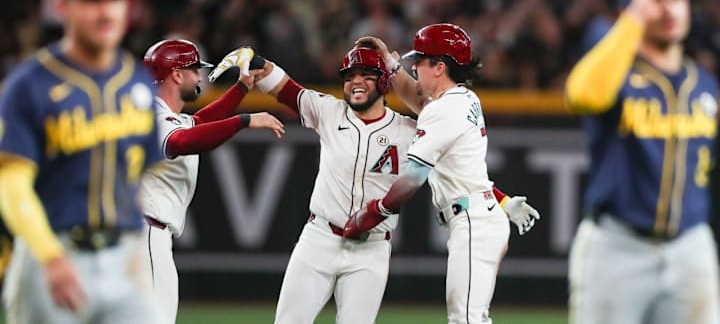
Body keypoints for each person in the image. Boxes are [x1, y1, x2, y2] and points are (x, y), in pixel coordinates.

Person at [209, 37, 538, 324]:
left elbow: (452, 169)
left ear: (382, 83)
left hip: (371, 249)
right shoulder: (329, 111)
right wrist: (256, 61)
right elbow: (286, 89)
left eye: (366, 75)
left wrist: (500, 199)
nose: (356, 82)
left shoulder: (409, 130)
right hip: (318, 239)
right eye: (350, 76)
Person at [0, 0, 162, 323]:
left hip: (124, 255)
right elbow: (10, 183)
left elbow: (136, 181)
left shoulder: (137, 83)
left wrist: (137, 249)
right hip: (52, 254)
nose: (105, 10)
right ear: (63, 6)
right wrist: (48, 256)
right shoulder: (30, 84)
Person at [565, 0, 720, 324]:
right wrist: (633, 19)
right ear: (628, 8)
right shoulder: (615, 75)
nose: (667, 8)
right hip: (617, 246)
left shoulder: (703, 83)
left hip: (691, 246)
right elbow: (582, 95)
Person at [342, 23, 516, 324]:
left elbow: (414, 176)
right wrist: (392, 65)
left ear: (439, 67)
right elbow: (421, 103)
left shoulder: (445, 109)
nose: (415, 67)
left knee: (467, 319)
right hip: (479, 216)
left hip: (474, 221)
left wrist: (375, 211)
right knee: (470, 318)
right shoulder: (462, 99)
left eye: (419, 61)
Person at [140, 40, 285, 323]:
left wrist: (242, 87)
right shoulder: (152, 117)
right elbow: (182, 141)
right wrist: (242, 121)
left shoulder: (165, 115)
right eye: (194, 70)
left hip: (144, 236)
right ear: (177, 75)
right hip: (146, 235)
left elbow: (198, 122)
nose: (200, 77)